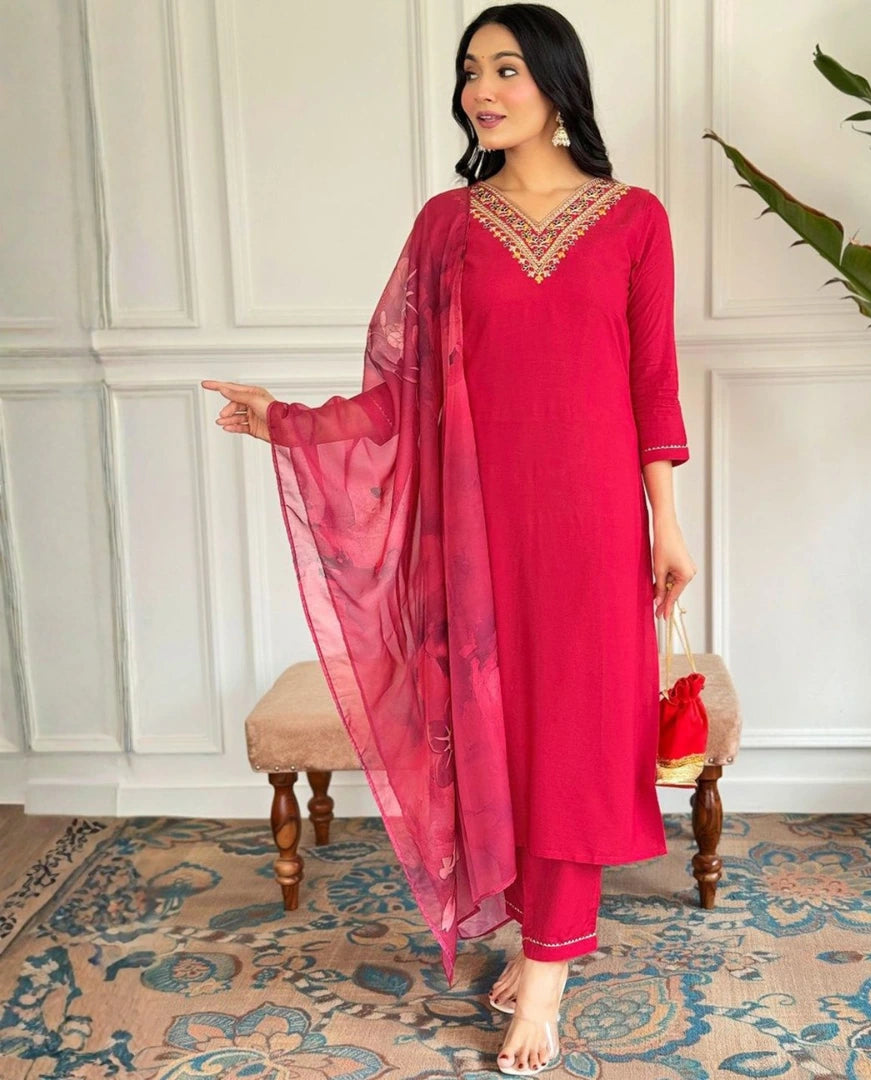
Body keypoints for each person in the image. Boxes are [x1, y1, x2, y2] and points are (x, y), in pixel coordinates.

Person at [203, 3, 696, 1073]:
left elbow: (650, 382)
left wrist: (667, 526)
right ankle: (539, 938)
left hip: (592, 528)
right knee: (496, 737)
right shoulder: (446, 225)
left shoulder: (635, 219)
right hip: (476, 532)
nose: (484, 87)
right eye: (472, 69)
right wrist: (283, 421)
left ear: (556, 81)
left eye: (507, 67)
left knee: (571, 739)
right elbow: (399, 396)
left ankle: (550, 973)